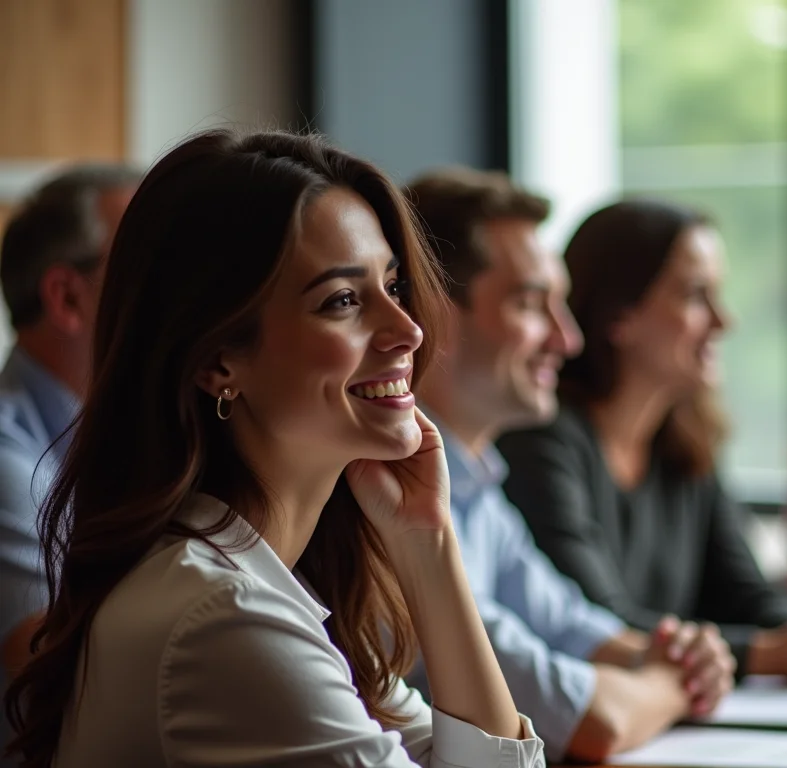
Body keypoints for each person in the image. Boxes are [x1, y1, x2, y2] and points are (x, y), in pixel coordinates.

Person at [3, 131, 543, 767]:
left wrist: (428, 543)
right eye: (343, 300)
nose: (409, 330)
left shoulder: (286, 592)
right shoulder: (225, 620)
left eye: (392, 287)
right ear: (218, 360)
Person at [405, 170, 735, 763]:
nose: (568, 337)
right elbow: (590, 720)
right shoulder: (391, 500)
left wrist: (680, 655)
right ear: (434, 312)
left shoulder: (478, 484)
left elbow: (575, 627)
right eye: (531, 303)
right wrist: (675, 683)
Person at [497, 199, 787, 685]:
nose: (724, 322)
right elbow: (596, 625)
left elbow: (744, 590)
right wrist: (767, 654)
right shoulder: (541, 443)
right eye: (696, 296)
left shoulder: (684, 443)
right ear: (619, 314)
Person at [0, 165, 139, 766]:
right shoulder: (6, 454)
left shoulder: (134, 430)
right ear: (67, 297)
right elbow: (49, 663)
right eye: (151, 265)